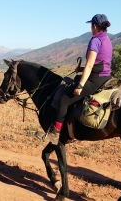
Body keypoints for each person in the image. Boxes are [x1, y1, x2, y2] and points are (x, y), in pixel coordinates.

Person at [36, 14, 113, 145]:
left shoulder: (95, 40)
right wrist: (81, 69)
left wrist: (80, 85)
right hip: (105, 77)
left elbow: (90, 65)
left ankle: (56, 133)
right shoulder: (107, 40)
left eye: (91, 26)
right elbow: (98, 63)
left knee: (64, 100)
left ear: (94, 26)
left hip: (94, 80)